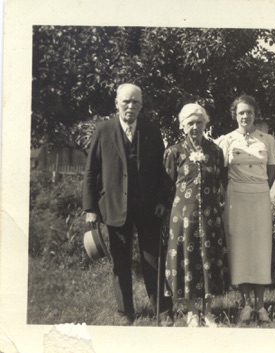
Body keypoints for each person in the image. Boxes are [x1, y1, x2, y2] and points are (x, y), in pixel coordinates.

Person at [82, 83, 173, 326]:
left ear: (141, 105)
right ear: (117, 103)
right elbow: (91, 171)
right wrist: (90, 208)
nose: (130, 106)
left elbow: (161, 171)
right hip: (113, 206)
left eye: (135, 102)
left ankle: (162, 311)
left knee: (153, 260)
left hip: (147, 206)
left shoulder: (152, 131)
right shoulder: (103, 130)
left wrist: (163, 200)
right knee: (120, 262)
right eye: (126, 102)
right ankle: (125, 312)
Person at [163, 103, 230, 328]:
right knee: (189, 261)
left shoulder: (215, 151)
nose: (195, 127)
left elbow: (222, 180)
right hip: (183, 217)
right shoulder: (174, 152)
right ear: (183, 126)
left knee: (209, 260)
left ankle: (208, 312)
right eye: (190, 123)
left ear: (205, 125)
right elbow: (166, 186)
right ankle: (192, 312)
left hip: (210, 215)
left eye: (199, 123)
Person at [218, 95, 275, 323]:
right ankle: (246, 304)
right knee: (240, 249)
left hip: (260, 196)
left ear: (255, 114)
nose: (245, 116)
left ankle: (261, 306)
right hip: (237, 197)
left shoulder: (267, 140)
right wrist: (237, 188)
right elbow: (223, 174)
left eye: (249, 112)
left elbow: (271, 173)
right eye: (241, 112)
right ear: (235, 114)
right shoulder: (227, 140)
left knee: (261, 249)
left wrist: (258, 188)